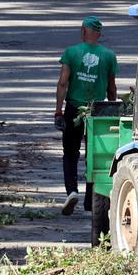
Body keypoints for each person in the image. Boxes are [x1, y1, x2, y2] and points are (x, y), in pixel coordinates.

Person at [54, 16, 118, 215]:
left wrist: (59, 110)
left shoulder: (71, 53)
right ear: (99, 34)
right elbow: (112, 88)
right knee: (94, 155)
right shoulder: (108, 56)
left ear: (83, 31)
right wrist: (111, 109)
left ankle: (71, 191)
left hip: (74, 108)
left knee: (70, 153)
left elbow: (63, 83)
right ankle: (92, 199)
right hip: (97, 110)